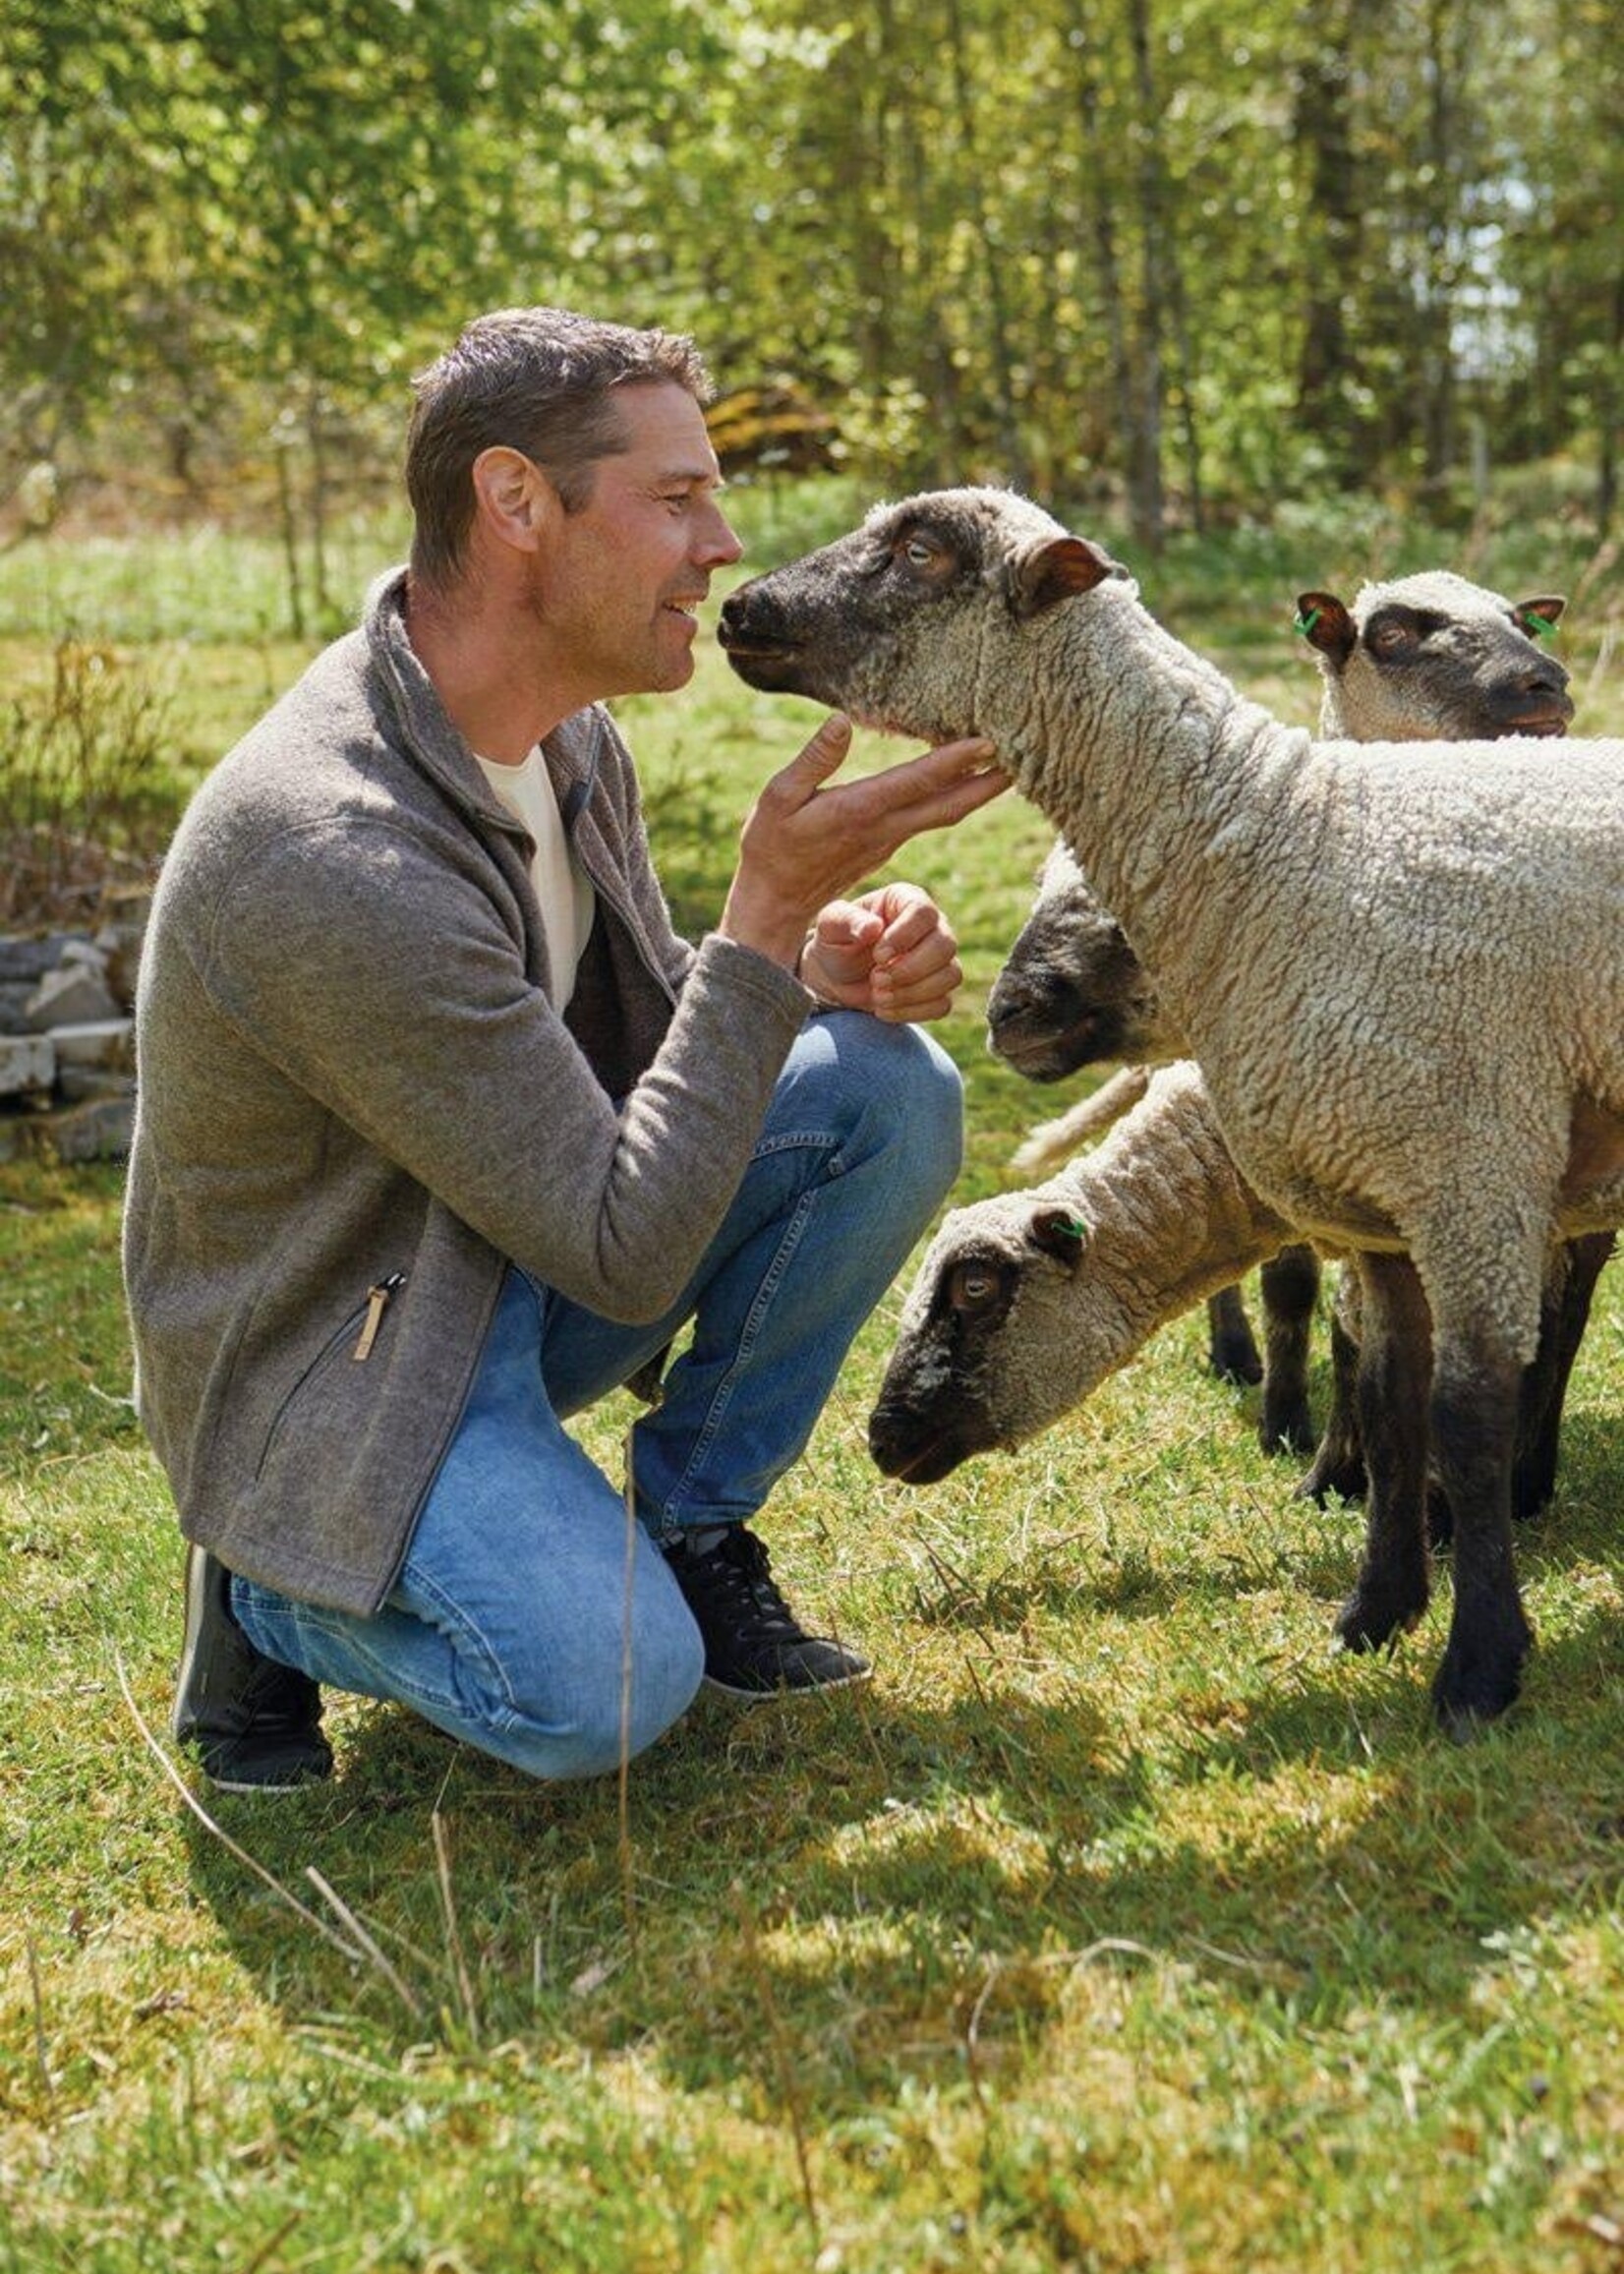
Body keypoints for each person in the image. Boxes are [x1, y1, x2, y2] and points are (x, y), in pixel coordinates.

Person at [125, 306, 1008, 1792]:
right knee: (604, 1687)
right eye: (677, 499)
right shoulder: (335, 852)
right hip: (332, 1364)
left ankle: (691, 1531)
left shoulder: (562, 736)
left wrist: (804, 967)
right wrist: (767, 909)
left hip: (499, 1249)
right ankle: (271, 1593)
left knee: (885, 1091)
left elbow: (648, 1046)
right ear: (519, 503)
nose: (721, 544)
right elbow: (624, 1250)